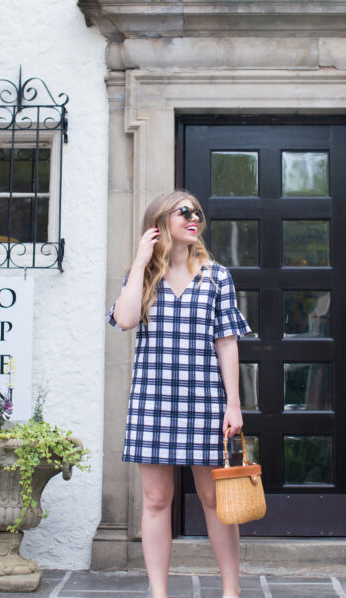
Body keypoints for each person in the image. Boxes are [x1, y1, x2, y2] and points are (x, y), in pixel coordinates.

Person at [107, 190, 251, 598]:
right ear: (159, 223)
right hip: (152, 402)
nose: (194, 218)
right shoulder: (144, 276)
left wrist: (234, 404)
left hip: (205, 401)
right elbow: (125, 319)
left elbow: (226, 342)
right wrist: (139, 262)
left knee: (213, 498)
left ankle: (231, 590)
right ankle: (159, 592)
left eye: (197, 212)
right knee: (155, 499)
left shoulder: (216, 275)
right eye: (183, 212)